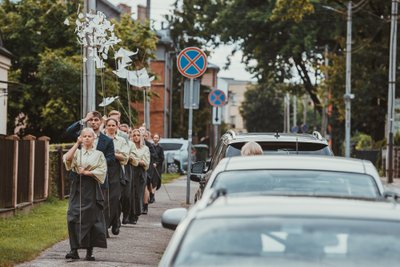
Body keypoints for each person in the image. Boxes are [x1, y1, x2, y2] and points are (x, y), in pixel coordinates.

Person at [63, 128, 107, 261]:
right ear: (81, 138)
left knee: (91, 218)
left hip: (91, 186)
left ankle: (89, 251)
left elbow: (102, 170)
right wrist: (77, 144)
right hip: (77, 186)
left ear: (94, 138)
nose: (87, 138)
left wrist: (88, 173)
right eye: (84, 136)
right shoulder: (77, 152)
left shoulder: (99, 154)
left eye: (89, 136)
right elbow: (67, 159)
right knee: (72, 215)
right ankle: (74, 250)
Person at [103, 118, 129, 236]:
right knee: (104, 200)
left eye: (113, 125)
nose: (111, 127)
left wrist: (111, 153)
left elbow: (124, 157)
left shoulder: (121, 140)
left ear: (117, 126)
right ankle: (104, 226)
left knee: (114, 199)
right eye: (109, 125)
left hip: (116, 171)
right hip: (102, 170)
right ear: (105, 126)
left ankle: (115, 221)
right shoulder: (100, 139)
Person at [128, 128, 150, 224]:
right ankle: (128, 214)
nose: (136, 137)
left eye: (138, 135)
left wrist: (134, 160)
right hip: (130, 171)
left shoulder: (145, 148)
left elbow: (145, 162)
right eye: (134, 135)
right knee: (128, 194)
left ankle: (135, 215)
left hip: (140, 173)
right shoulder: (129, 147)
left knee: (137, 194)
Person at [151, 133, 164, 202]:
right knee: (150, 181)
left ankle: (153, 195)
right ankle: (151, 194)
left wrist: (156, 163)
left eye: (157, 138)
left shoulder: (160, 148)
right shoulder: (151, 146)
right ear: (152, 138)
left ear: (159, 139)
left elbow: (162, 158)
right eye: (154, 137)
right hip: (151, 166)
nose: (155, 139)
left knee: (155, 181)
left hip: (157, 166)